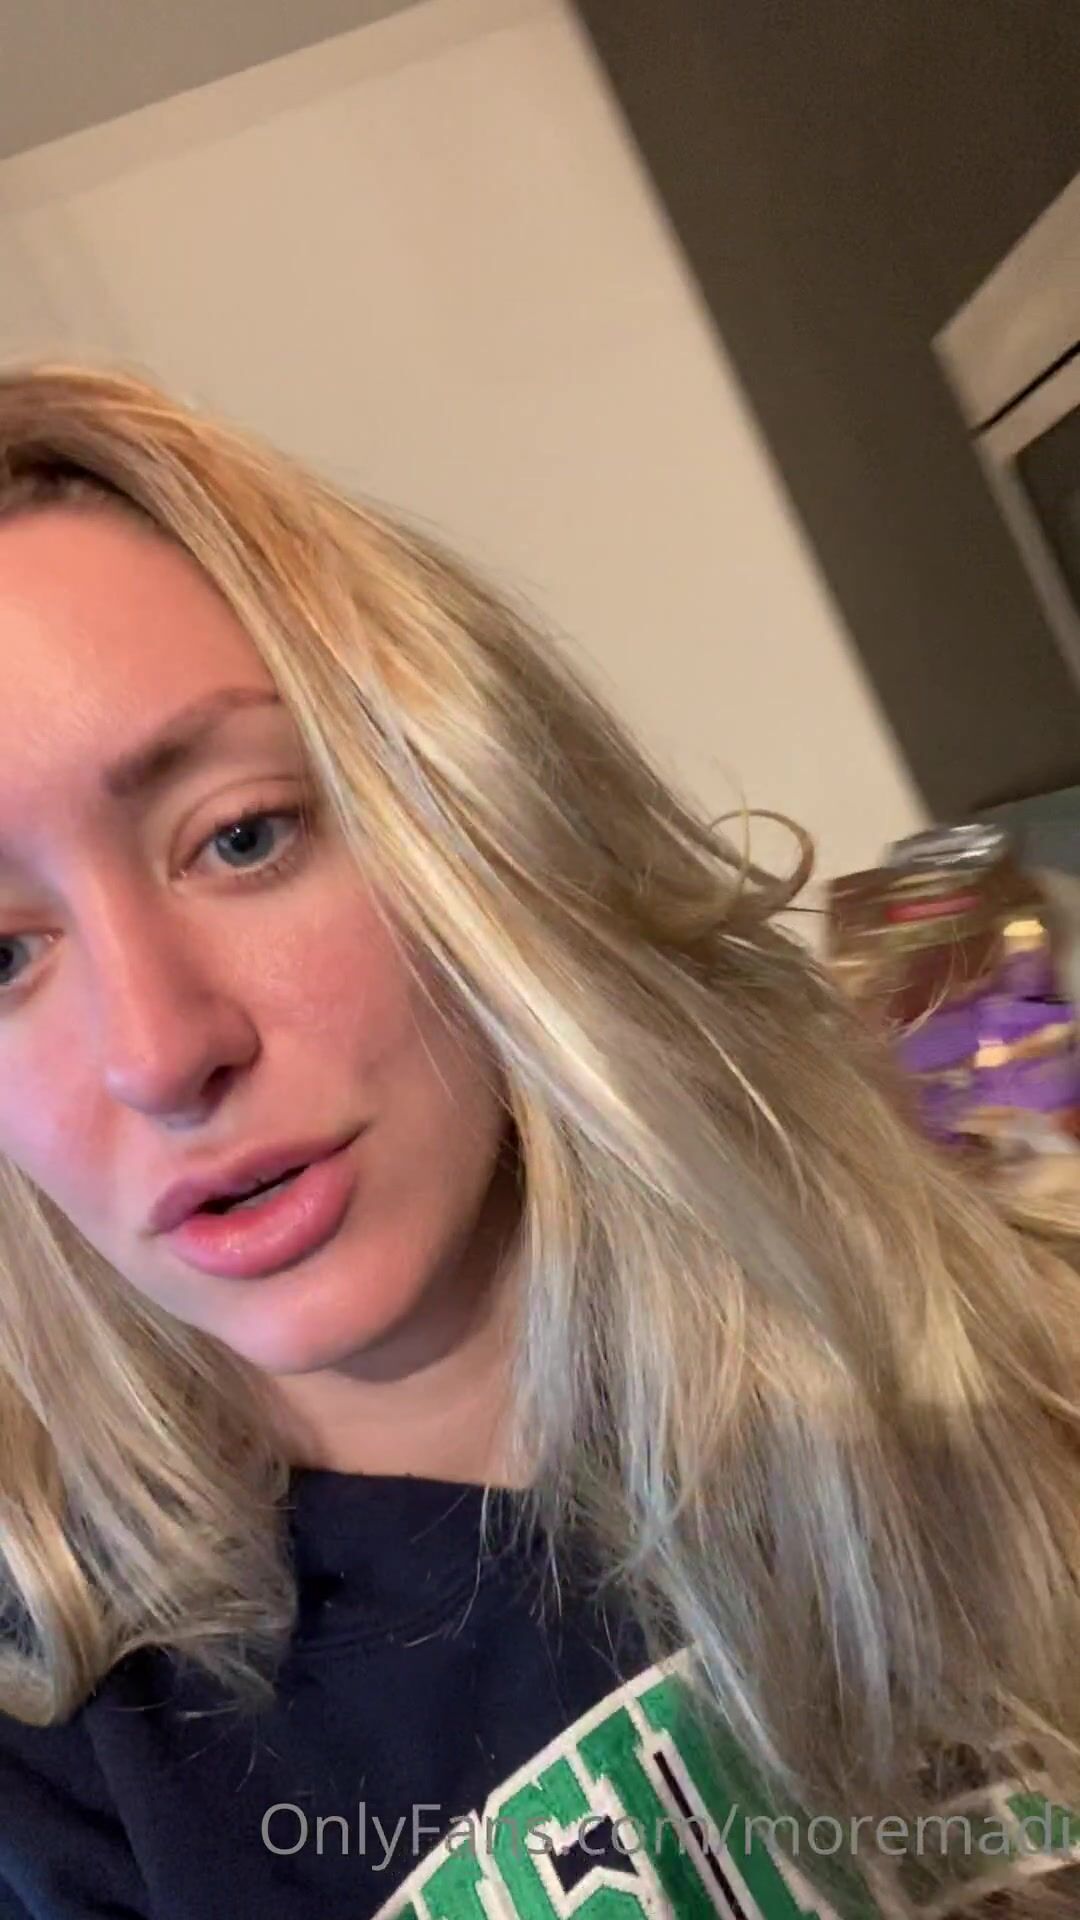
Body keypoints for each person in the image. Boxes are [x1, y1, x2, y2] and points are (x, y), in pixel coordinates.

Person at [0, 363, 1078, 1920]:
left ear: (471, 821)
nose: (162, 1052)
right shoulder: (65, 1766)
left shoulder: (993, 1367)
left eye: (242, 836)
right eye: (3, 956)